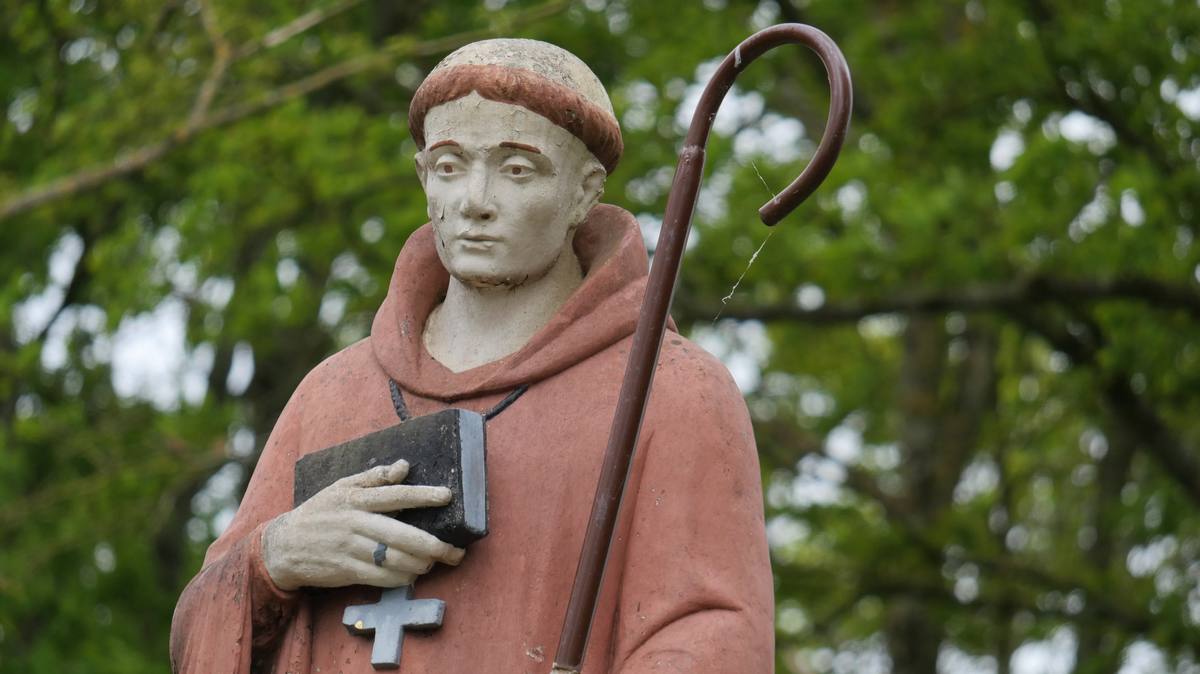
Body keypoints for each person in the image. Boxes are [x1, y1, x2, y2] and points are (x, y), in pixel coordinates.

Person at [170, 38, 773, 673]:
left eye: (517, 169)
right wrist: (275, 558)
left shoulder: (672, 390)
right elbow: (201, 631)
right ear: (423, 175)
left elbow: (711, 638)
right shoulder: (333, 392)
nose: (473, 201)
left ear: (583, 192)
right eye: (451, 166)